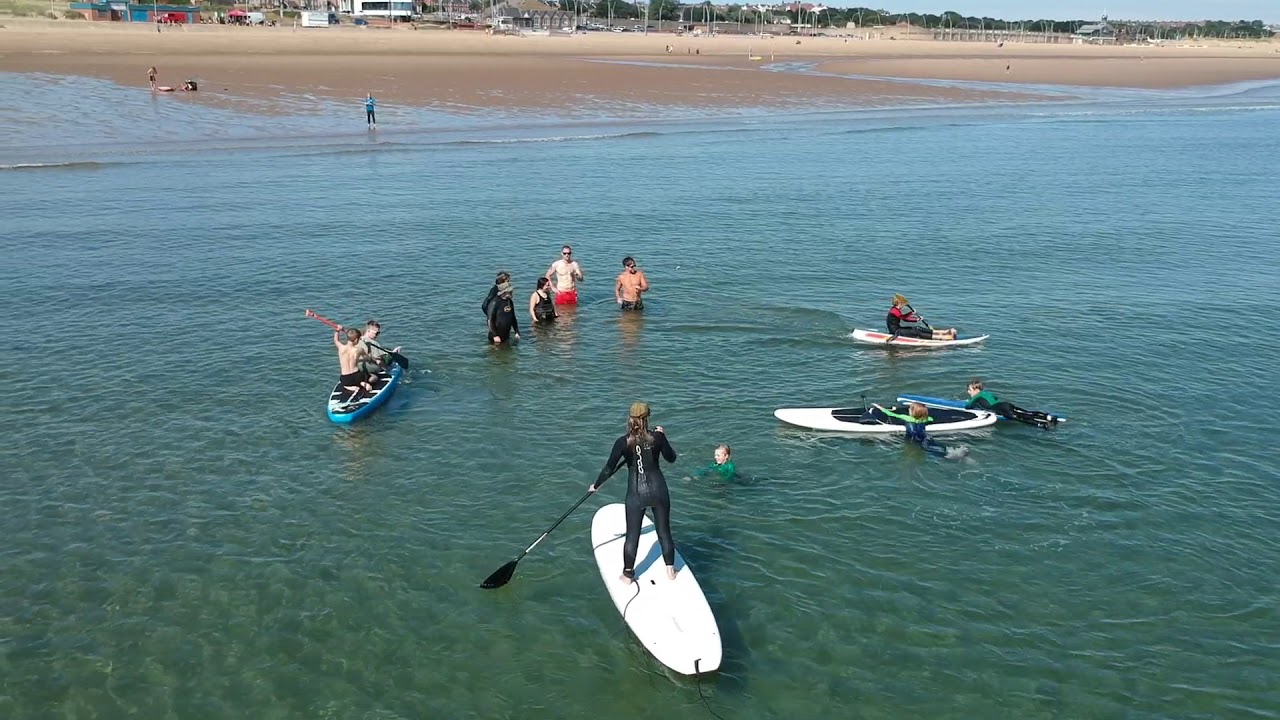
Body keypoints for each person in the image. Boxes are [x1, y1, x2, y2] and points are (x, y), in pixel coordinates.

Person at [589, 402, 679, 584]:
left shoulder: (622, 442)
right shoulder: (657, 438)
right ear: (647, 418)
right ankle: (670, 570)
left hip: (636, 494)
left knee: (632, 534)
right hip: (659, 491)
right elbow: (672, 458)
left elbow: (609, 468)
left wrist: (596, 485)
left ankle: (628, 575)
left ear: (630, 419)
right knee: (664, 532)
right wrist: (663, 436)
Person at [871, 402, 964, 458]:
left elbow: (891, 414)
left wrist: (879, 407)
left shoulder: (907, 418)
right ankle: (953, 451)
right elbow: (931, 419)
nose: (908, 410)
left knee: (928, 450)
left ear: (912, 412)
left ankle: (946, 457)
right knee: (935, 445)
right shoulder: (925, 419)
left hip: (915, 440)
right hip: (926, 436)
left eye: (910, 409)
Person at [964, 379, 1059, 429]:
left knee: (1020, 418)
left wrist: (970, 403)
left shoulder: (976, 397)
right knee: (1026, 413)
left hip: (1001, 409)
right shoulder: (987, 393)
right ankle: (1048, 417)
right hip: (1005, 404)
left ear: (976, 390)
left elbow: (968, 407)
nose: (968, 392)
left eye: (970, 390)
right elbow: (995, 398)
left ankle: (1042, 425)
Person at [886, 294, 956, 341]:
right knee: (916, 332)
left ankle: (944, 332)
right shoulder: (894, 311)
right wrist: (916, 319)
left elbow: (903, 317)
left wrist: (911, 313)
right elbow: (904, 319)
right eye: (903, 304)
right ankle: (944, 337)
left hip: (899, 329)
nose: (903, 306)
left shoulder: (896, 310)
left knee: (918, 328)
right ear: (899, 303)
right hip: (895, 331)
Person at [334, 326, 374, 399]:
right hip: (357, 376)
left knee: (346, 383)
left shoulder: (341, 348)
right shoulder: (359, 350)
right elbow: (367, 358)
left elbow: (336, 340)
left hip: (345, 378)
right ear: (356, 340)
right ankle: (362, 383)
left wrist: (337, 331)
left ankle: (351, 387)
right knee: (374, 377)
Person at [487, 278, 520, 344]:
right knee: (496, 354)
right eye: (510, 292)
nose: (512, 293)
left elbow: (513, 317)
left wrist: (516, 331)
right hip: (495, 337)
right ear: (504, 292)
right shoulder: (495, 302)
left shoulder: (509, 301)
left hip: (506, 335)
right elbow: (490, 320)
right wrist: (495, 335)